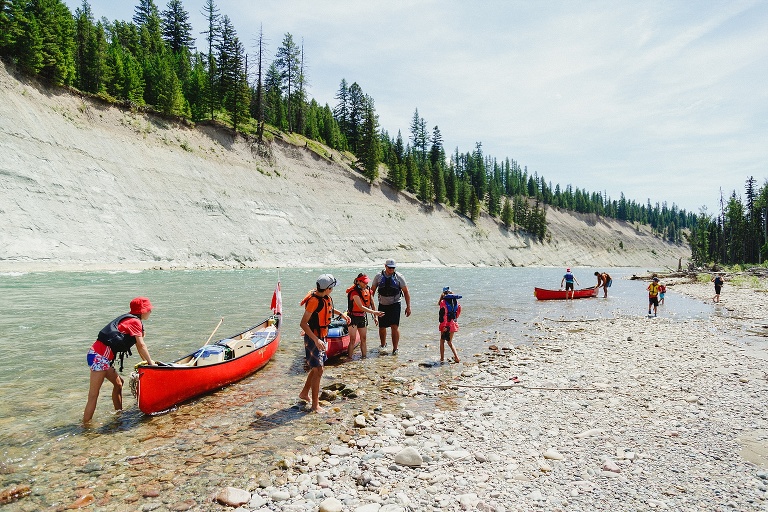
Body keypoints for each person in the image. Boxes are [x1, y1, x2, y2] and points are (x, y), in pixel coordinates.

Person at [84, 297, 155, 423]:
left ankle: (118, 415)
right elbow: (141, 345)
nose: (150, 312)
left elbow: (140, 348)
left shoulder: (131, 320)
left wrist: (147, 363)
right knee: (93, 395)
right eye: (149, 310)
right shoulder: (135, 322)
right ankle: (85, 426)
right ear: (143, 311)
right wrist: (151, 363)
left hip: (99, 356)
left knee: (118, 384)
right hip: (99, 357)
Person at [298, 274, 349, 412]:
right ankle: (315, 405)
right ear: (328, 288)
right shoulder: (314, 300)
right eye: (332, 288)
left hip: (321, 336)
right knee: (319, 370)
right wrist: (316, 339)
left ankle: (304, 393)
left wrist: (342, 314)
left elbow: (328, 310)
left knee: (316, 368)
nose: (332, 290)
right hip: (314, 338)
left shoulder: (324, 298)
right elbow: (303, 323)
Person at [370, 259, 411, 355]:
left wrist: (408, 307)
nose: (391, 269)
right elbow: (372, 291)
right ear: (385, 266)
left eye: (393, 268)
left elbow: (406, 292)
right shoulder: (378, 276)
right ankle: (383, 345)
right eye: (390, 267)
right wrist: (370, 306)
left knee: (394, 326)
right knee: (382, 326)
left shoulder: (399, 277)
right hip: (382, 304)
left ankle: (395, 349)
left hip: (395, 304)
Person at [345, 273, 384, 359]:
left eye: (367, 282)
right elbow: (361, 307)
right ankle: (349, 358)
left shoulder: (368, 290)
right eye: (364, 282)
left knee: (364, 338)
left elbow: (372, 303)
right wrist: (375, 312)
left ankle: (364, 357)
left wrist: (375, 316)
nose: (366, 284)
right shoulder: (354, 292)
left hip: (362, 317)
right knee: (352, 339)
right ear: (358, 281)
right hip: (353, 317)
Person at [438, 287, 462, 363]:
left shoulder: (443, 302)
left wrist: (444, 326)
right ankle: (457, 357)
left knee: (442, 341)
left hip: (445, 325)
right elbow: (457, 313)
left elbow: (443, 315)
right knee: (450, 342)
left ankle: (442, 359)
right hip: (453, 324)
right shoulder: (456, 302)